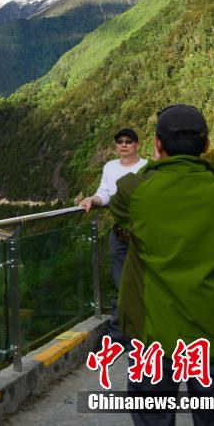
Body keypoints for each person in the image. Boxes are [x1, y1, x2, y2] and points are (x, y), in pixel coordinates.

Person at [112, 104, 214, 426]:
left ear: (157, 144)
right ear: (207, 145)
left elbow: (122, 213)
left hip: (152, 332)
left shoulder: (133, 190)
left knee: (153, 417)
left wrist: (156, 165)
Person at [79, 127, 148, 342]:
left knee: (143, 284)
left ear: (137, 144)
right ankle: (119, 335)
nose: (124, 145)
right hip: (119, 234)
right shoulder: (110, 167)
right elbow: (104, 193)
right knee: (121, 284)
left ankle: (138, 334)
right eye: (120, 141)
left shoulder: (147, 167)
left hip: (144, 234)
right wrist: (92, 199)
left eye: (128, 141)